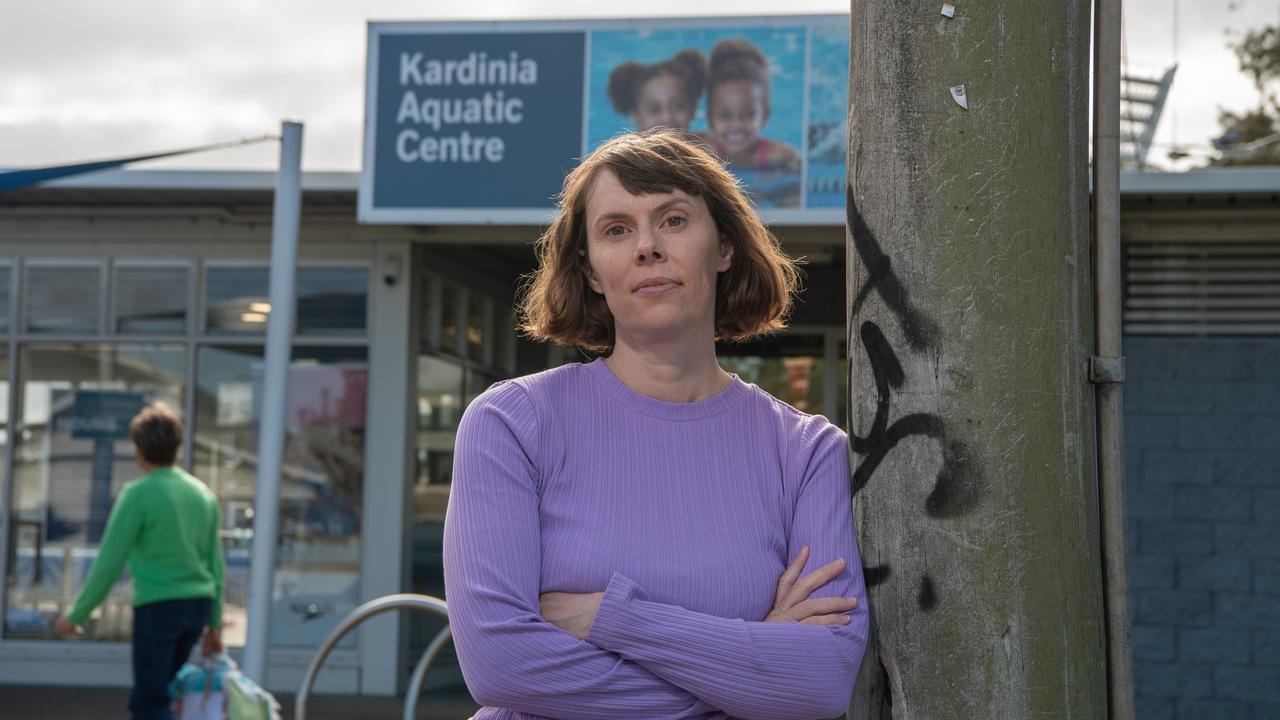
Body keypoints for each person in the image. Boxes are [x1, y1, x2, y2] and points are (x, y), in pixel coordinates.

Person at [443, 128, 867, 719]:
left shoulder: (807, 452)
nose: (647, 246)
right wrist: (745, 674)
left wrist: (614, 619)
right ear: (590, 270)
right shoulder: (512, 424)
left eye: (672, 220)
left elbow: (820, 679)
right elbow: (499, 663)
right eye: (616, 229)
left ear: (723, 248)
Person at [56, 401, 225, 720]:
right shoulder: (202, 494)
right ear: (177, 445)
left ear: (138, 450)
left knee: (150, 701)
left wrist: (77, 615)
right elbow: (216, 565)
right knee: (165, 693)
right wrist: (215, 623)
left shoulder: (138, 494)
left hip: (159, 606)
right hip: (198, 607)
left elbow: (109, 562)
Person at [704, 38, 802, 206]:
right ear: (710, 117)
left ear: (765, 116)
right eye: (725, 115)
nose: (736, 125)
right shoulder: (704, 150)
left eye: (748, 114)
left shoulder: (779, 156)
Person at [607, 48, 707, 132]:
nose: (667, 117)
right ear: (636, 117)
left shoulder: (710, 150)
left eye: (678, 106)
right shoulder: (628, 155)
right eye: (654, 109)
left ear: (693, 108)